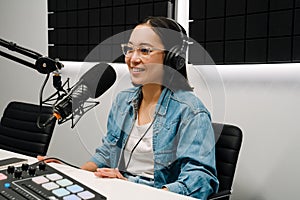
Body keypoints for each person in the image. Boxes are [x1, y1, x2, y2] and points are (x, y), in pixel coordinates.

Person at [80, 16, 219, 199]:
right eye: (130, 49)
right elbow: (107, 152)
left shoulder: (190, 111)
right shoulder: (123, 101)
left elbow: (200, 179)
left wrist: (133, 187)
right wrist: (70, 174)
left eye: (144, 50)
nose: (133, 59)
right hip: (118, 191)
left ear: (171, 58)